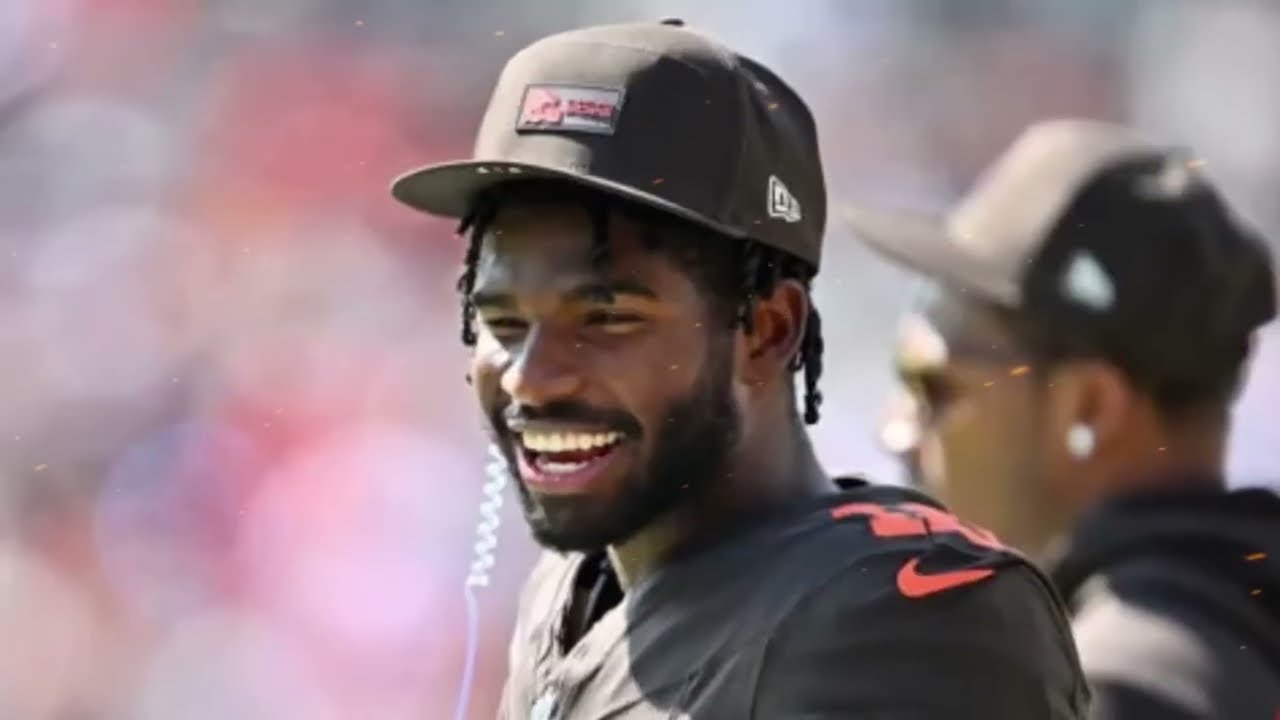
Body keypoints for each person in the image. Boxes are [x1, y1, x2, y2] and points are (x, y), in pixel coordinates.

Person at [391, 20, 1088, 719]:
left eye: (605, 319)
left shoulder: (901, 611)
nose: (531, 377)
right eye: (504, 322)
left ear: (768, 329)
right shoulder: (570, 589)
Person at [850, 118, 1280, 719]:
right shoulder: (1228, 634)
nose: (894, 431)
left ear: (1090, 408)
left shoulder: (1110, 692)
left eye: (934, 386)